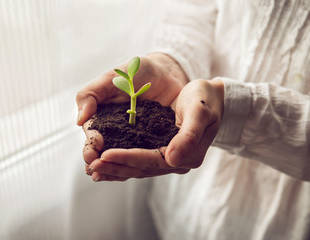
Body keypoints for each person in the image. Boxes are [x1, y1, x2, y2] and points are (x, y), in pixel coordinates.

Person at [76, 0, 310, 239]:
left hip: (288, 206)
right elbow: (195, 9)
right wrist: (171, 64)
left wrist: (232, 106)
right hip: (191, 165)